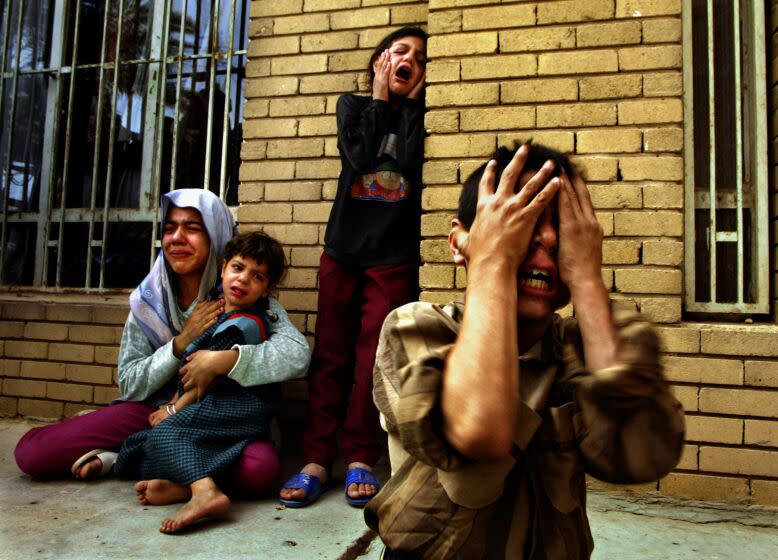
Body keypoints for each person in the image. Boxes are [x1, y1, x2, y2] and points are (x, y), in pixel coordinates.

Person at [364, 144, 685, 559]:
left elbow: (639, 458)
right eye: (525, 220)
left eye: (563, 227)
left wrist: (587, 281)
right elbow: (477, 433)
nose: (549, 238)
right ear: (459, 242)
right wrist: (493, 260)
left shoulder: (584, 343)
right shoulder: (417, 327)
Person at [14, 189, 310, 501]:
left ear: (217, 237)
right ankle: (153, 458)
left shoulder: (244, 295)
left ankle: (147, 469)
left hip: (218, 419)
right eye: (170, 228)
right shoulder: (149, 300)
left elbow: (296, 354)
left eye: (193, 229)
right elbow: (129, 382)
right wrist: (180, 344)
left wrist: (223, 360)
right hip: (151, 410)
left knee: (258, 470)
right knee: (32, 453)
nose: (177, 238)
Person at [279, 27, 428, 508]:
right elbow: (360, 156)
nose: (410, 60)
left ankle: (361, 456)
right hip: (343, 250)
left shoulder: (421, 119)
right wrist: (380, 98)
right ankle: (317, 458)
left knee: (372, 359)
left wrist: (407, 107)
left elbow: (407, 160)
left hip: (393, 256)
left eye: (420, 59)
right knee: (332, 355)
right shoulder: (353, 106)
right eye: (400, 52)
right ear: (379, 61)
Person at [114, 231, 287, 533]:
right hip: (218, 412)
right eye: (237, 268)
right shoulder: (218, 312)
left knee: (161, 437)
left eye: (256, 276)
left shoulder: (242, 325)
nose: (243, 279)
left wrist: (172, 410)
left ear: (267, 290)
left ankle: (205, 492)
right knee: (152, 447)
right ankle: (186, 486)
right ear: (222, 269)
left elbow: (200, 382)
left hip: (236, 408)